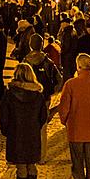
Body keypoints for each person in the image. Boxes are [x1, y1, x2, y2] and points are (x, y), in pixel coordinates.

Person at [0, 62, 48, 179]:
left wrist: (6, 130)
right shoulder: (38, 95)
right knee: (31, 164)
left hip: (16, 133)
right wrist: (35, 126)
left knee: (21, 165)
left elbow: (4, 115)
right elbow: (43, 116)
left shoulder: (10, 94)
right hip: (32, 134)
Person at [23, 34, 62, 164]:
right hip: (44, 98)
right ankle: (42, 157)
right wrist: (52, 90)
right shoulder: (47, 61)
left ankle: (30, 154)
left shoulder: (25, 61)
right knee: (42, 128)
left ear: (30, 45)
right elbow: (59, 79)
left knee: (29, 126)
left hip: (29, 98)